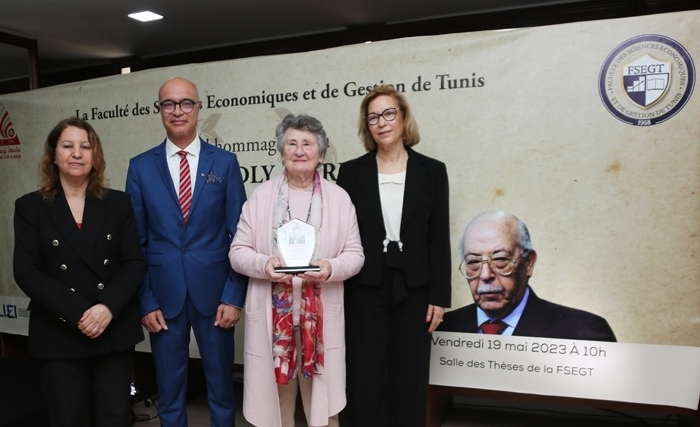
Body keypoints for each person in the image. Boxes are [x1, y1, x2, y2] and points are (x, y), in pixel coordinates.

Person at [125, 77, 248, 427]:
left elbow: (241, 234)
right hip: (163, 298)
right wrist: (145, 301)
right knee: (170, 389)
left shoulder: (224, 163)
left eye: (185, 103)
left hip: (216, 296)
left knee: (222, 388)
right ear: (160, 111)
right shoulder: (140, 167)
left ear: (198, 108)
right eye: (168, 104)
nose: (177, 111)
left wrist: (234, 296)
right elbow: (135, 241)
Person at [229, 114, 364, 427]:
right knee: (276, 406)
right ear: (281, 151)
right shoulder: (261, 196)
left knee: (324, 408)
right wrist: (264, 265)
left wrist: (330, 267)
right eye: (292, 143)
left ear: (320, 152)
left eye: (307, 144)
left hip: (319, 322)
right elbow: (237, 252)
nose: (300, 150)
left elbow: (355, 255)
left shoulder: (339, 199)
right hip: (275, 324)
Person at [13, 118, 146, 427]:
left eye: (85, 146)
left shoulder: (118, 203)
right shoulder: (30, 206)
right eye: (67, 146)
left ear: (94, 155)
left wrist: (106, 308)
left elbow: (134, 263)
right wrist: (81, 313)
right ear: (53, 155)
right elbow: (26, 271)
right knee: (68, 418)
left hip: (112, 328)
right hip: (59, 331)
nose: (77, 153)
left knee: (115, 417)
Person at [335, 86, 451, 427]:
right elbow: (343, 235)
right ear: (366, 126)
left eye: (389, 114)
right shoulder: (351, 172)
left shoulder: (432, 171)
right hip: (364, 286)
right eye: (373, 117)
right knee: (365, 373)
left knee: (409, 374)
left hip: (416, 287)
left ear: (403, 118)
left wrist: (439, 296)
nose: (381, 123)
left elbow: (439, 237)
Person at [440, 210, 616, 341]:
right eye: (473, 262)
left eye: (500, 259)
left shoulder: (584, 333)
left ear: (528, 263)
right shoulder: (440, 332)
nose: (485, 275)